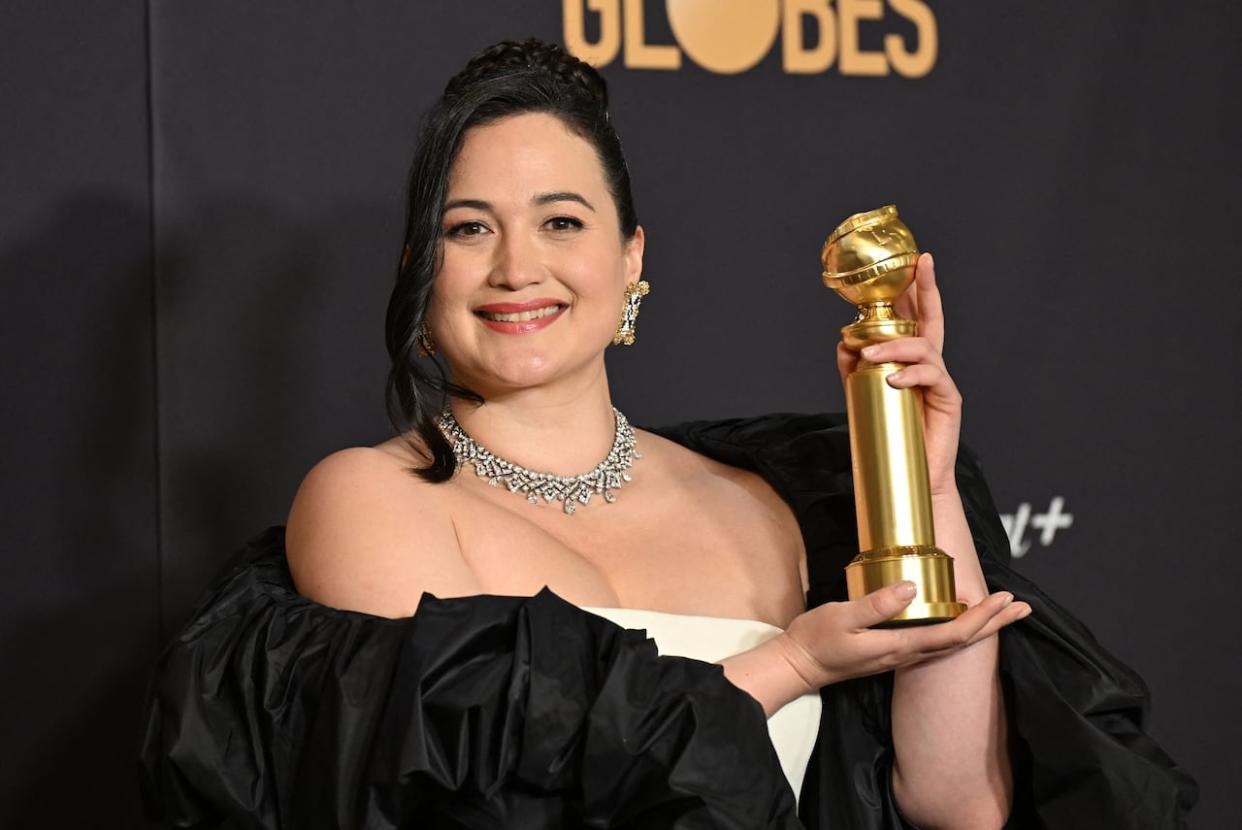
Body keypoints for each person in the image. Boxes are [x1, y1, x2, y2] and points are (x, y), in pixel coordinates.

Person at [140, 39, 1196, 829]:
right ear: (422, 272)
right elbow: (490, 795)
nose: (518, 267)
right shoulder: (373, 498)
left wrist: (914, 485)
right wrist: (785, 666)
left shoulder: (771, 496)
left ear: (632, 259)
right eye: (471, 228)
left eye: (563, 221)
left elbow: (957, 800)